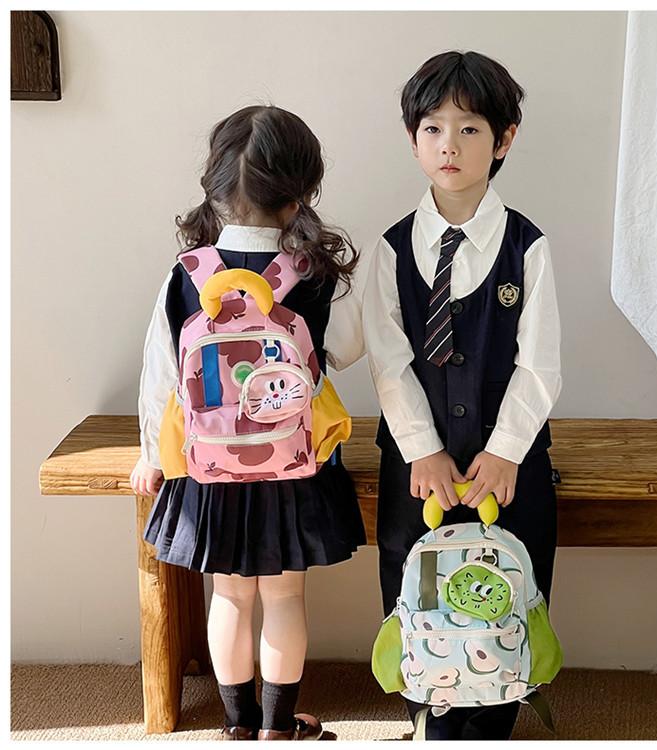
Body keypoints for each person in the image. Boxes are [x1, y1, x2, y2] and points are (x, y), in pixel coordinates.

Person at [130, 104, 367, 741]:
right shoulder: (314, 275)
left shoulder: (187, 275)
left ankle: (236, 726)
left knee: (230, 599)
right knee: (284, 598)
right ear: (301, 190)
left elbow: (161, 374)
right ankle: (278, 727)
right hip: (293, 465)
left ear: (213, 186)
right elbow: (346, 350)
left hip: (209, 468)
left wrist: (150, 454)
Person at [364, 50, 562, 740]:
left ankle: (494, 722)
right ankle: (429, 718)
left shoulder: (527, 247)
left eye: (470, 128)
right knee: (418, 598)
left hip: (507, 468)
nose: (449, 144)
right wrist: (421, 449)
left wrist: (507, 451)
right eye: (433, 128)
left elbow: (540, 366)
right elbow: (389, 363)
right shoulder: (391, 249)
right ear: (413, 138)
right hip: (417, 470)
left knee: (504, 599)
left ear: (504, 139)